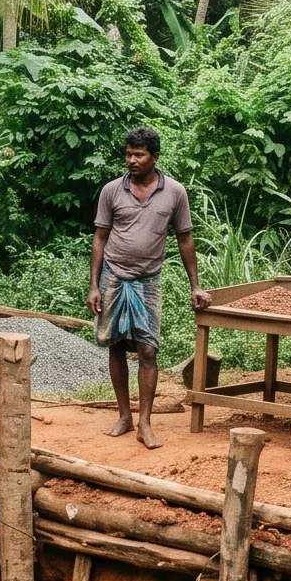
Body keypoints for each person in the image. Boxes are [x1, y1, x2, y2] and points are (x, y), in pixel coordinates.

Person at [86, 127, 206, 449]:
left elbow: (184, 238)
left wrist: (195, 285)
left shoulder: (175, 192)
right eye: (128, 154)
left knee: (147, 349)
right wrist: (93, 285)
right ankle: (124, 415)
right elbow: (100, 237)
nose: (131, 160)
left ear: (155, 157)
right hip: (113, 275)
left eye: (139, 155)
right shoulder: (112, 191)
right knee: (114, 344)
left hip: (148, 279)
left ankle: (145, 423)